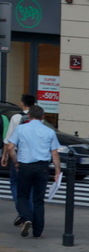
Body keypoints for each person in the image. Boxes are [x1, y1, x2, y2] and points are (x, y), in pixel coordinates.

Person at [5, 105, 62, 239]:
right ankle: (38, 231)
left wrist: (16, 162)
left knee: (23, 195)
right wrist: (57, 171)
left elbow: (11, 147)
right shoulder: (49, 132)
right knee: (38, 199)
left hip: (25, 165)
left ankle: (26, 217)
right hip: (42, 167)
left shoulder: (21, 129)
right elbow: (54, 154)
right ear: (43, 117)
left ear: (29, 116)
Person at [1, 94, 36, 226]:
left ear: (22, 103)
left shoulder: (16, 117)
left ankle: (23, 213)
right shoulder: (38, 118)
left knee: (16, 184)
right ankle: (29, 215)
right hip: (34, 157)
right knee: (31, 187)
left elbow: (8, 140)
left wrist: (4, 156)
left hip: (18, 156)